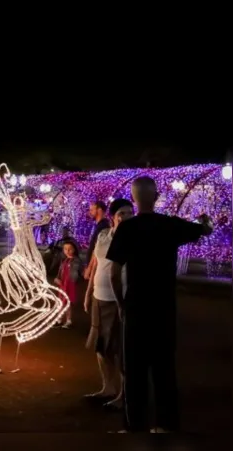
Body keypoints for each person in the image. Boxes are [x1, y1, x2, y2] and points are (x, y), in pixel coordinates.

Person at [107, 176, 213, 433]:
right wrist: (204, 221)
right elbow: (205, 229)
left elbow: (113, 272)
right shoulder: (170, 225)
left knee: (134, 370)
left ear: (134, 199)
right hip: (164, 308)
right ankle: (165, 425)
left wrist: (121, 303)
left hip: (135, 308)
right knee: (165, 369)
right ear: (156, 197)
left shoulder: (127, 229)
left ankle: (135, 426)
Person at [83, 198, 132, 411]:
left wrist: (123, 302)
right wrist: (88, 293)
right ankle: (108, 387)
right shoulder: (103, 235)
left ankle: (124, 395)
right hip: (99, 296)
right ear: (113, 216)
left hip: (116, 299)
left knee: (118, 349)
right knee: (100, 347)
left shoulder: (133, 238)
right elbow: (96, 264)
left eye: (131, 212)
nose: (126, 216)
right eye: (122, 212)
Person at [53, 240, 82, 328]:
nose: (67, 251)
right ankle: (59, 319)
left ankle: (68, 320)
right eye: (65, 249)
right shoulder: (65, 260)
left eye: (70, 249)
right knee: (61, 302)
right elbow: (61, 271)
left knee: (67, 303)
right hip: (63, 285)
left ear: (74, 250)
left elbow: (76, 273)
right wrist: (57, 278)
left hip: (69, 285)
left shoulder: (76, 260)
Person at [83, 201, 110, 280]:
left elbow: (97, 249)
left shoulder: (103, 227)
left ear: (99, 210)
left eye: (92, 210)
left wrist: (89, 268)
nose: (90, 212)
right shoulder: (100, 226)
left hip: (97, 268)